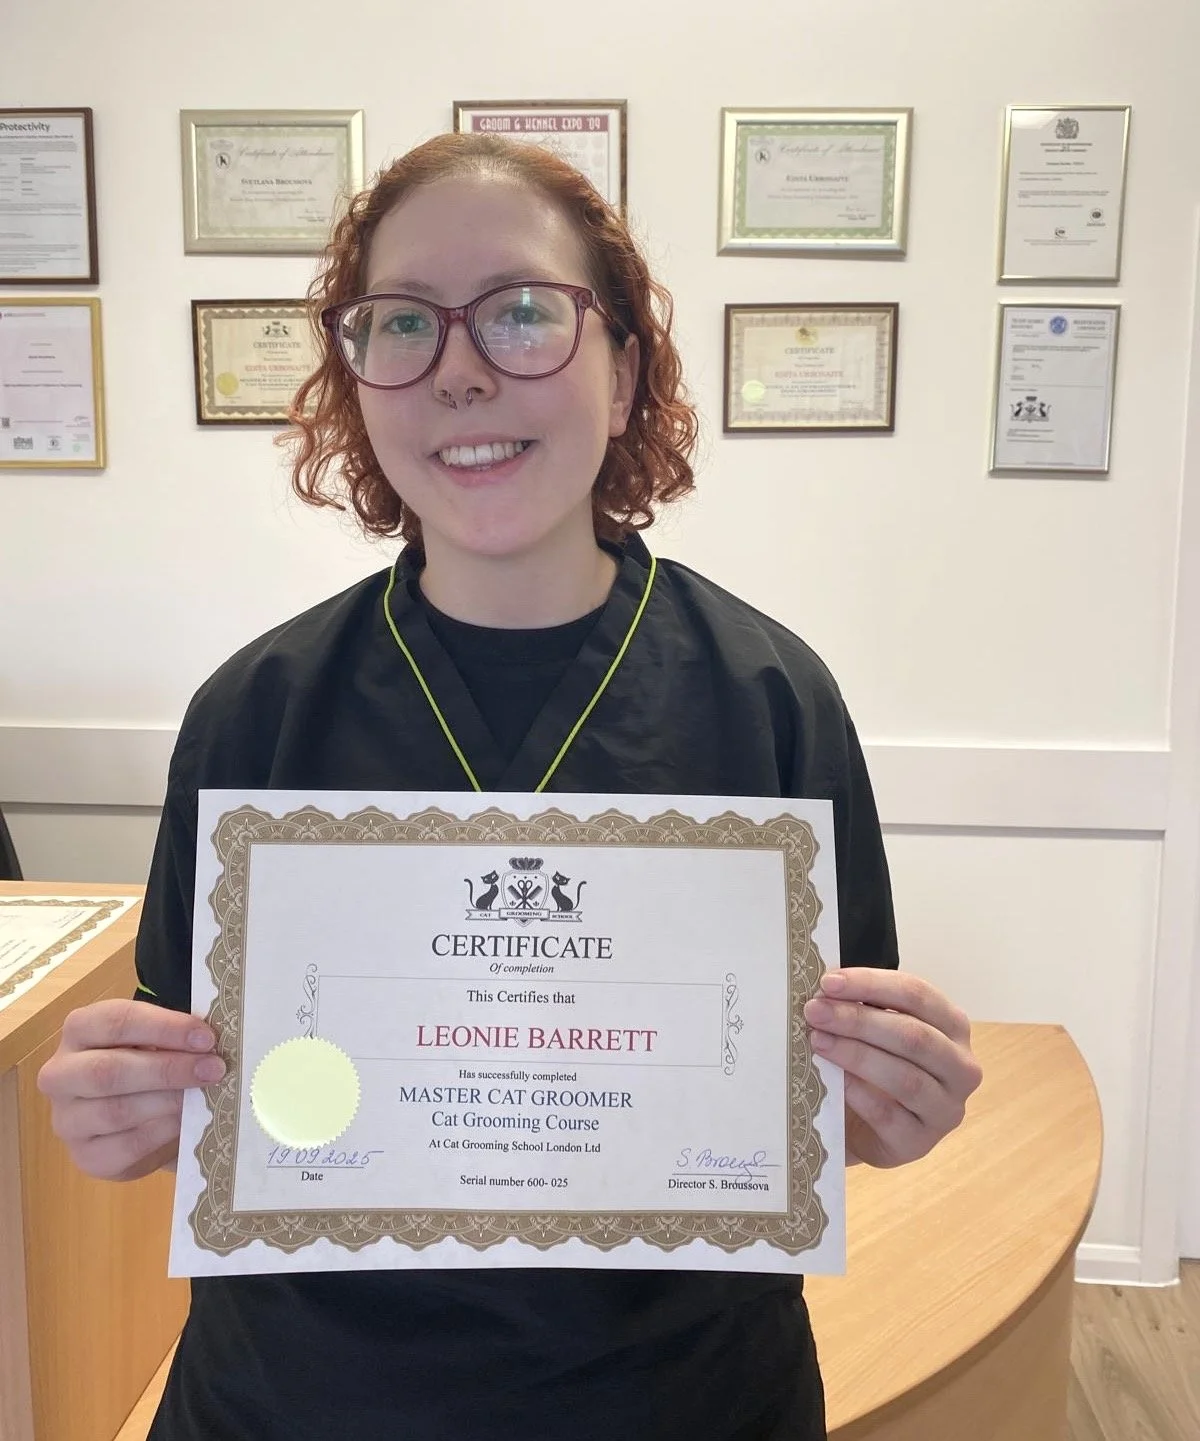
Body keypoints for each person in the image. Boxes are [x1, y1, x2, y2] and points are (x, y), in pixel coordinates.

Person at [36, 133, 982, 1440]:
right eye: (403, 324)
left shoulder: (768, 698)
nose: (464, 372)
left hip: (680, 1405)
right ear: (354, 378)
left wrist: (892, 1105)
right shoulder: (257, 710)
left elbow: (824, 1104)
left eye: (524, 312)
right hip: (303, 1403)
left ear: (625, 360)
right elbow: (194, 1081)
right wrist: (126, 1111)